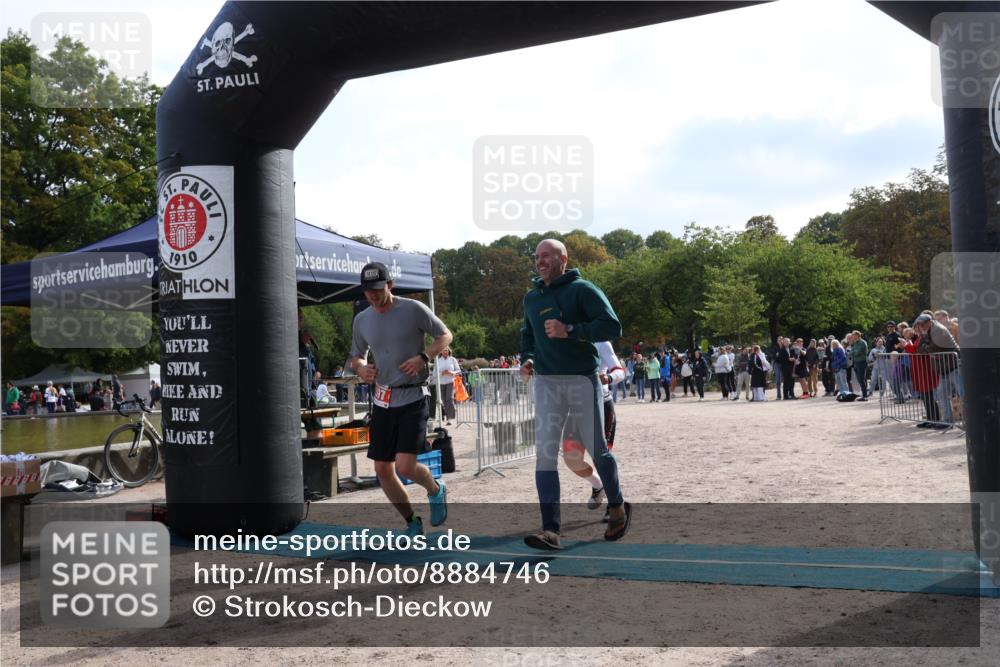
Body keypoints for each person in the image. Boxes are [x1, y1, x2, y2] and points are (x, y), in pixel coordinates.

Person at [520, 239, 631, 550]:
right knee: (545, 455)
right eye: (537, 257)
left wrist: (570, 329)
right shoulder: (531, 298)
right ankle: (551, 530)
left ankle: (618, 505)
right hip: (547, 383)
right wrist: (527, 359)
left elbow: (612, 327)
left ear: (563, 259)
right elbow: (528, 335)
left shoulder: (583, 290)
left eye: (547, 256)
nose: (540, 261)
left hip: (582, 379)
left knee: (598, 450)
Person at [349, 261, 452, 536]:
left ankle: (435, 489)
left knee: (405, 466)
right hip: (382, 400)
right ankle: (412, 522)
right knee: (383, 469)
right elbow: (356, 356)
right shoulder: (362, 320)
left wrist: (423, 357)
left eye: (377, 289)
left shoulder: (413, 309)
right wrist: (361, 368)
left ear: (390, 285)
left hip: (413, 396)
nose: (372, 295)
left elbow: (445, 335)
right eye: (367, 290)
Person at [561, 341, 625, 519]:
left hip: (601, 404)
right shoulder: (569, 338)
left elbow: (620, 371)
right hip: (577, 407)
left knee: (601, 458)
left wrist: (609, 378)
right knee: (571, 459)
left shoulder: (602, 342)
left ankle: (614, 504)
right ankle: (598, 485)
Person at [432, 348, 461, 425]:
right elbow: (434, 374)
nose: (445, 352)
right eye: (443, 350)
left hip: (450, 382)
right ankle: (448, 415)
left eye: (446, 350)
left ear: (449, 351)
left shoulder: (452, 359)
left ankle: (450, 418)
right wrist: (442, 373)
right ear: (441, 351)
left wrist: (451, 372)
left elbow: (458, 370)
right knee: (444, 401)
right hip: (441, 383)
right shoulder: (438, 361)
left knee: (450, 398)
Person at [849, 331, 870, 401]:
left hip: (861, 362)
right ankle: (863, 395)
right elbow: (850, 353)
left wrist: (853, 352)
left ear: (857, 335)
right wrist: (853, 352)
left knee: (861, 379)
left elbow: (857, 352)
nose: (852, 337)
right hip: (856, 362)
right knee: (859, 379)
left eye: (853, 335)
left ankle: (865, 396)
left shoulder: (863, 343)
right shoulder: (855, 343)